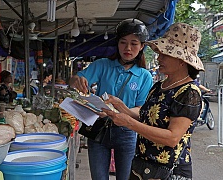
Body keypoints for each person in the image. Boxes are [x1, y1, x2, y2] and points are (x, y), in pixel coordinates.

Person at [102, 22, 204, 180]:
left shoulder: (189, 93)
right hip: (142, 166)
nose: (159, 58)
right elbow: (146, 118)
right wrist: (120, 106)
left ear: (182, 60)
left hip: (167, 171)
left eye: (165, 54)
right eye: (159, 53)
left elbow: (172, 138)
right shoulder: (159, 86)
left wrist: (128, 123)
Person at [69, 18, 153, 180]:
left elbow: (140, 110)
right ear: (117, 44)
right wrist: (76, 81)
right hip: (99, 129)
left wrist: (120, 107)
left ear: (142, 46)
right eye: (123, 42)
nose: (128, 48)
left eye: (134, 43)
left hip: (127, 132)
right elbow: (74, 80)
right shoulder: (102, 65)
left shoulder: (145, 76)